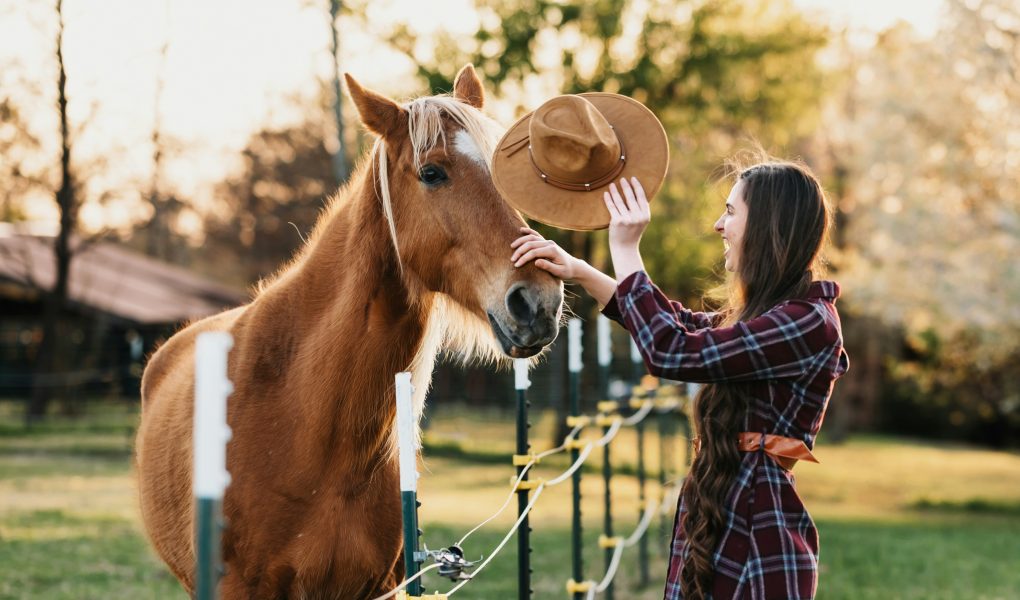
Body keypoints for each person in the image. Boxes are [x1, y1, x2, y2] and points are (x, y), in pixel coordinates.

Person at [491, 95, 848, 600]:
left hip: (756, 538)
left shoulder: (807, 322)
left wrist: (625, 250)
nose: (719, 226)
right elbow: (681, 325)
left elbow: (674, 351)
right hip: (726, 515)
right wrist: (580, 269)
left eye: (730, 212)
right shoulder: (772, 316)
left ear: (768, 226)